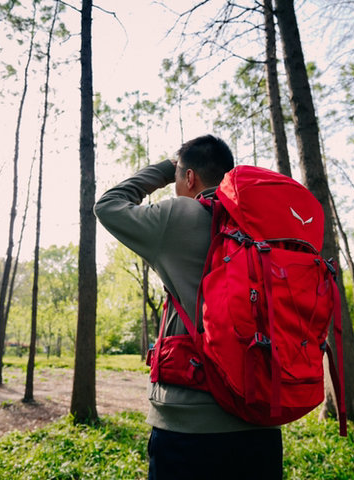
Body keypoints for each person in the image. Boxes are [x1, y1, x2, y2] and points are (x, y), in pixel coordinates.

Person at [94, 134, 283, 480]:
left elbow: (108, 205)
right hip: (263, 423)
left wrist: (168, 168)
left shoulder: (178, 214)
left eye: (181, 178)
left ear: (190, 177)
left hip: (188, 430)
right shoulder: (267, 224)